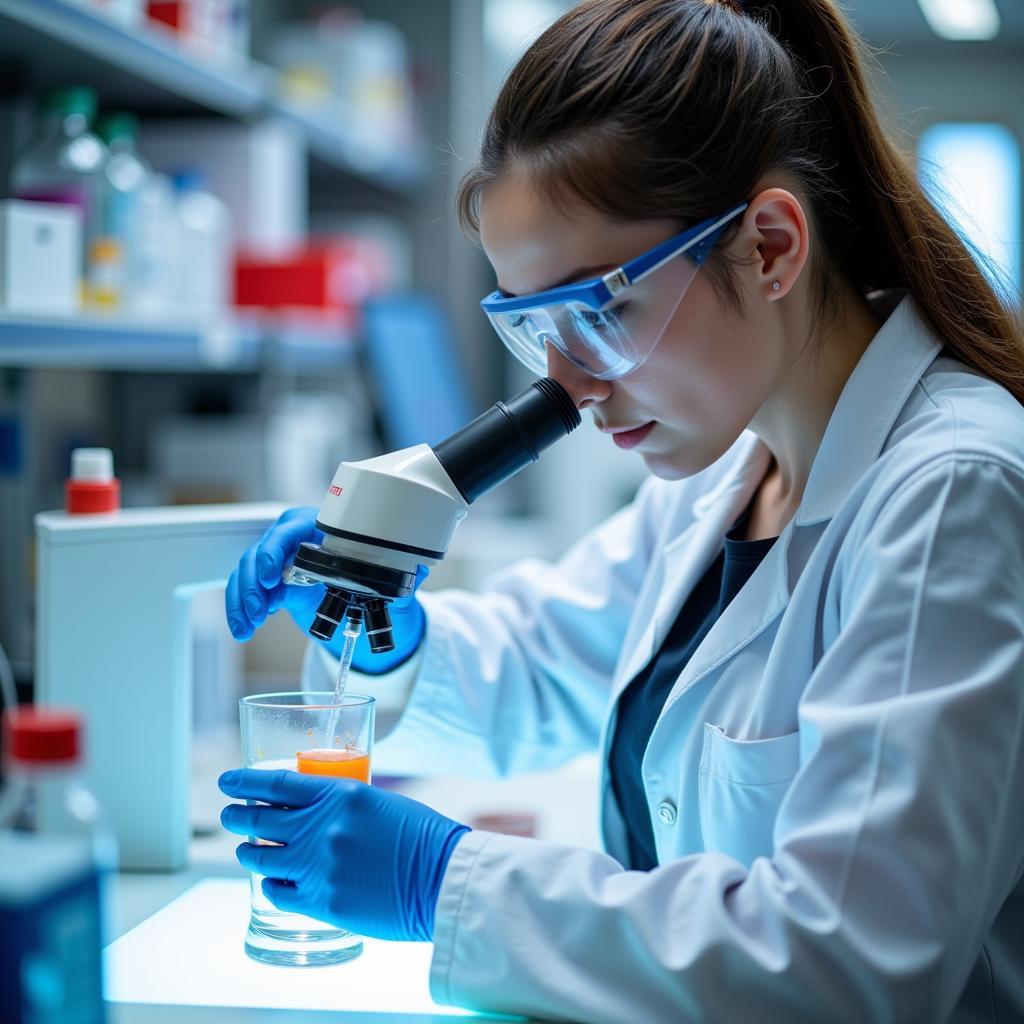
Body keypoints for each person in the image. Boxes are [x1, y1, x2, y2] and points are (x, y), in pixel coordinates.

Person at [219, 0, 1024, 1020]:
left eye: (595, 310)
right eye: (531, 326)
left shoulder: (952, 492)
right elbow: (548, 660)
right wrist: (385, 641)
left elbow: (845, 961)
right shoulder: (734, 470)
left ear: (771, 247)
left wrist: (446, 883)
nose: (570, 387)